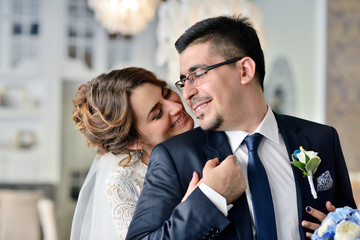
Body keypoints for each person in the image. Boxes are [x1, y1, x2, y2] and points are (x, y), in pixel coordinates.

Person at [126, 15, 356, 240]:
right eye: (184, 81)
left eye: (197, 75)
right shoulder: (175, 157)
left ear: (245, 70)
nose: (186, 93)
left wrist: (339, 230)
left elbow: (350, 222)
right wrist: (211, 198)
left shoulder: (321, 139)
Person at [69, 67, 194, 240]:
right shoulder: (123, 184)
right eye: (157, 114)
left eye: (165, 93)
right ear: (134, 142)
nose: (176, 107)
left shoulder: (210, 131)